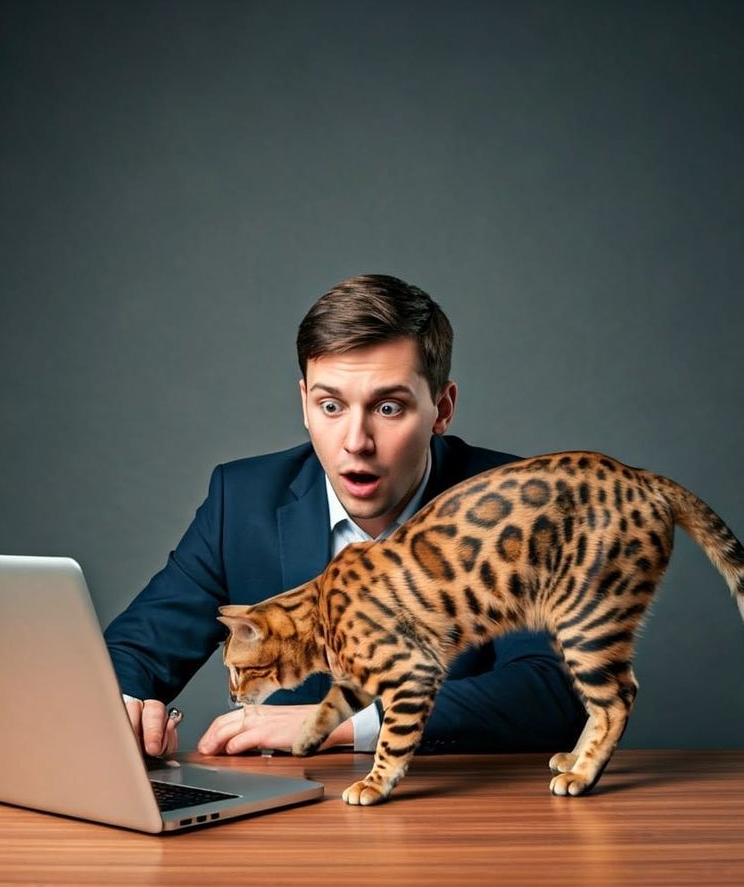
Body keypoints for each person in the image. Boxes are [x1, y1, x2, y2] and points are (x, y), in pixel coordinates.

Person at [106, 273, 580, 762]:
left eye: (388, 407)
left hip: (458, 819)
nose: (356, 441)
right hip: (294, 824)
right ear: (305, 405)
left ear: (441, 409)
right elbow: (134, 652)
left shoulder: (516, 505)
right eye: (330, 406)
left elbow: (552, 690)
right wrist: (124, 705)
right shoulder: (242, 502)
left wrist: (342, 723)